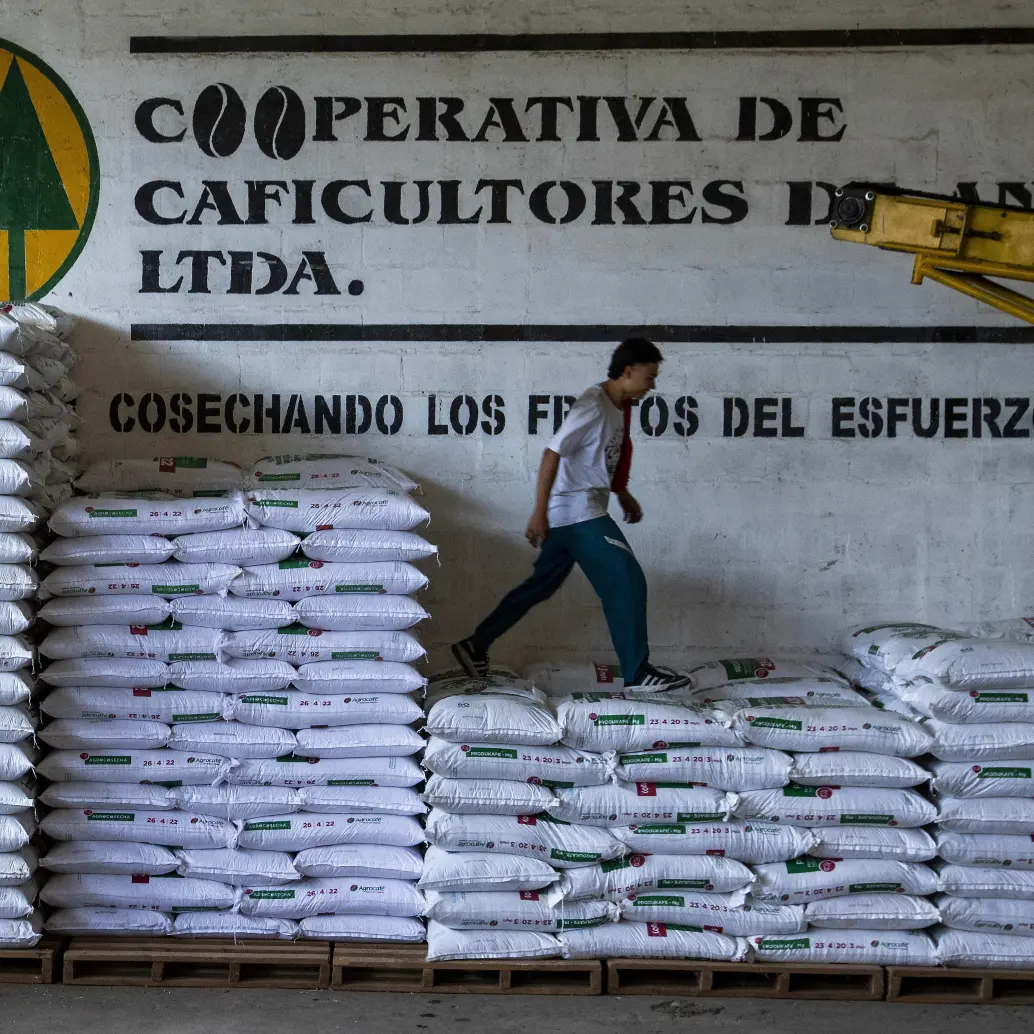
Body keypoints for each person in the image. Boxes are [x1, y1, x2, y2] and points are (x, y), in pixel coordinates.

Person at [451, 337, 692, 689]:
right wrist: (538, 513)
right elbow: (552, 454)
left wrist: (621, 493)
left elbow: (605, 457)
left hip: (573, 514)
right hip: (578, 513)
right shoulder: (592, 404)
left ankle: (475, 645)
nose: (652, 385)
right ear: (628, 371)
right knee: (626, 579)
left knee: (538, 588)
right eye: (650, 376)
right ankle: (638, 674)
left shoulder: (619, 406)